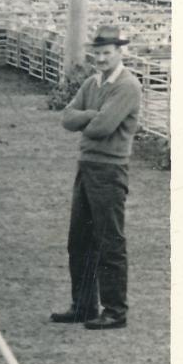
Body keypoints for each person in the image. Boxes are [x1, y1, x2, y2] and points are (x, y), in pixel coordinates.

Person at [51, 25, 141, 331]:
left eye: (107, 53)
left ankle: (115, 309)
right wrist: (93, 114)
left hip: (110, 168)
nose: (101, 59)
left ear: (119, 52)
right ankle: (84, 305)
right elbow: (67, 117)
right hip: (87, 165)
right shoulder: (93, 82)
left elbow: (102, 128)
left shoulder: (127, 85)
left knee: (109, 240)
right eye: (97, 53)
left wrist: (87, 117)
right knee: (79, 240)